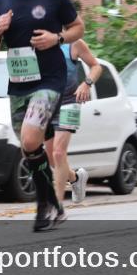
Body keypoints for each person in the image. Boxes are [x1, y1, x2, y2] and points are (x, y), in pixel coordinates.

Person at [0, 0, 84, 231]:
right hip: (18, 84)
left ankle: (43, 205)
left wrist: (57, 39)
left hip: (49, 81)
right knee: (30, 148)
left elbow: (78, 27)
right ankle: (53, 202)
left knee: (29, 140)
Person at [49, 37, 102, 216]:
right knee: (52, 159)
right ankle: (75, 178)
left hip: (70, 102)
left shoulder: (74, 43)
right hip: (46, 102)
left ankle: (57, 205)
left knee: (58, 153)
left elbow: (96, 66)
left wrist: (86, 84)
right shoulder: (38, 39)